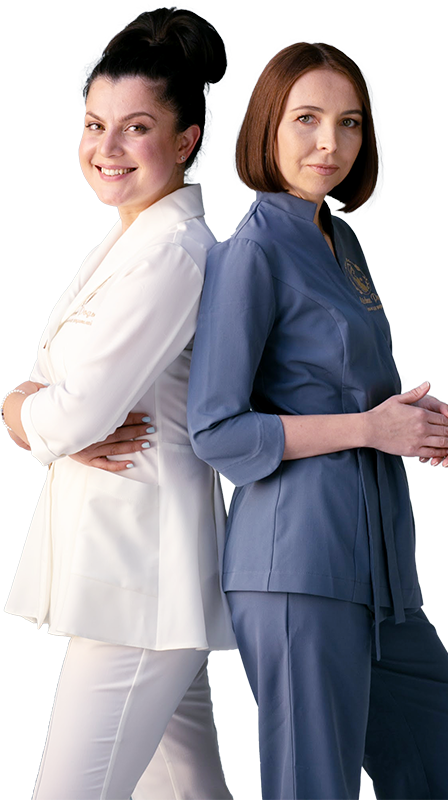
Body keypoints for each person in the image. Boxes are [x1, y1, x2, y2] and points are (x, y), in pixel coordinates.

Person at [187, 42, 448, 800]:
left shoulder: (339, 239)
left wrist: (410, 420)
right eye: (307, 119)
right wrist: (367, 429)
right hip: (297, 568)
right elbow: (216, 430)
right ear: (267, 126)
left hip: (380, 572)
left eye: (349, 122)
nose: (330, 142)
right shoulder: (250, 251)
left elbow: (342, 384)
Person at [1, 8, 236, 800]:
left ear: (185, 139)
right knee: (188, 789)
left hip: (139, 578)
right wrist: (44, 409)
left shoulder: (171, 254)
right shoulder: (132, 241)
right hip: (135, 576)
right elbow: (65, 404)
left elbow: (69, 413)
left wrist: (18, 407)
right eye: (95, 124)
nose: (106, 148)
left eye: (136, 128)